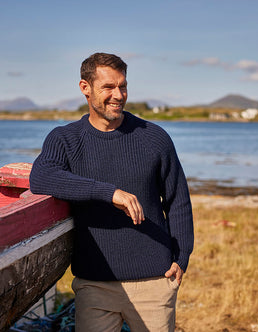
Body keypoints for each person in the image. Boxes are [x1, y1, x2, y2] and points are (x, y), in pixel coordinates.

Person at [29, 52, 194, 332]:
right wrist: (109, 193)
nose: (118, 95)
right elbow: (41, 177)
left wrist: (182, 258)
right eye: (108, 87)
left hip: (154, 283)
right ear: (85, 88)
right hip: (95, 284)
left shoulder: (154, 137)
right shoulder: (65, 139)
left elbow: (178, 200)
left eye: (123, 86)